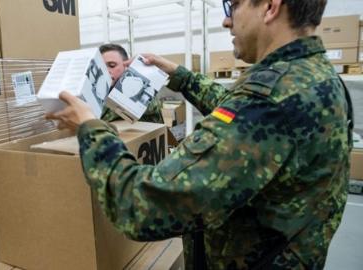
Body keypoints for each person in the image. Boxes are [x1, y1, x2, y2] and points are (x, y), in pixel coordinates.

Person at [47, 0, 354, 269]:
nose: (225, 20)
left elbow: (143, 205)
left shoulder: (270, 96)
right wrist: (179, 76)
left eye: (232, 5)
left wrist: (90, 127)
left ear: (270, 7)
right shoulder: (314, 76)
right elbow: (241, 117)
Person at [98, 43, 164, 123]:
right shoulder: (102, 92)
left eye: (112, 65)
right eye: (102, 66)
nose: (106, 71)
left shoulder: (138, 88)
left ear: (126, 66)